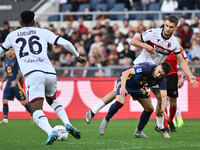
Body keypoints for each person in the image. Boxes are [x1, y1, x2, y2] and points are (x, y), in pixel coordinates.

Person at [85, 15, 198, 138]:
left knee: (159, 99)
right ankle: (93, 111)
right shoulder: (152, 33)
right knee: (119, 94)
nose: (167, 29)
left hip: (156, 73)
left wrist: (191, 76)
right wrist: (145, 46)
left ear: (175, 28)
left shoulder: (174, 43)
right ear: (164, 24)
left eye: (171, 27)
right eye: (166, 25)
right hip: (141, 69)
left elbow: (182, 61)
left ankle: (159, 126)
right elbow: (133, 41)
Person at [0, 11, 86, 145]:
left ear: (20, 23)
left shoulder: (12, 35)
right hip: (50, 72)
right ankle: (67, 123)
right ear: (34, 22)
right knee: (52, 99)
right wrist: (77, 56)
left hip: (33, 74)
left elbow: (1, 51)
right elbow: (66, 43)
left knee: (35, 109)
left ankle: (50, 131)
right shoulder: (43, 32)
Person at [98, 62, 171, 138]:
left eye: (161, 75)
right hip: (127, 82)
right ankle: (106, 120)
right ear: (158, 66)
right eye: (159, 72)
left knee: (149, 109)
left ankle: (138, 132)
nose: (158, 75)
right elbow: (126, 72)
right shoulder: (146, 68)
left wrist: (162, 108)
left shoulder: (162, 79)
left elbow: (164, 97)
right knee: (120, 102)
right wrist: (122, 87)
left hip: (139, 87)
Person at [0, 48, 31, 124]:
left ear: (14, 52)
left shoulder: (17, 61)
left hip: (17, 84)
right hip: (9, 83)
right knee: (4, 100)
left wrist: (16, 81)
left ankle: (33, 114)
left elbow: (20, 72)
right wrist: (2, 82)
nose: (10, 51)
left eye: (12, 50)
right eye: (9, 50)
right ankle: (5, 118)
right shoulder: (7, 61)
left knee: (23, 102)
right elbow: (7, 72)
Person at [163, 45, 187, 132]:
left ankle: (170, 121)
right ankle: (165, 126)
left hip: (173, 76)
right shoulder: (157, 44)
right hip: (161, 76)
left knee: (173, 102)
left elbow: (184, 61)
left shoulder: (178, 46)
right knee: (163, 100)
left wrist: (183, 77)